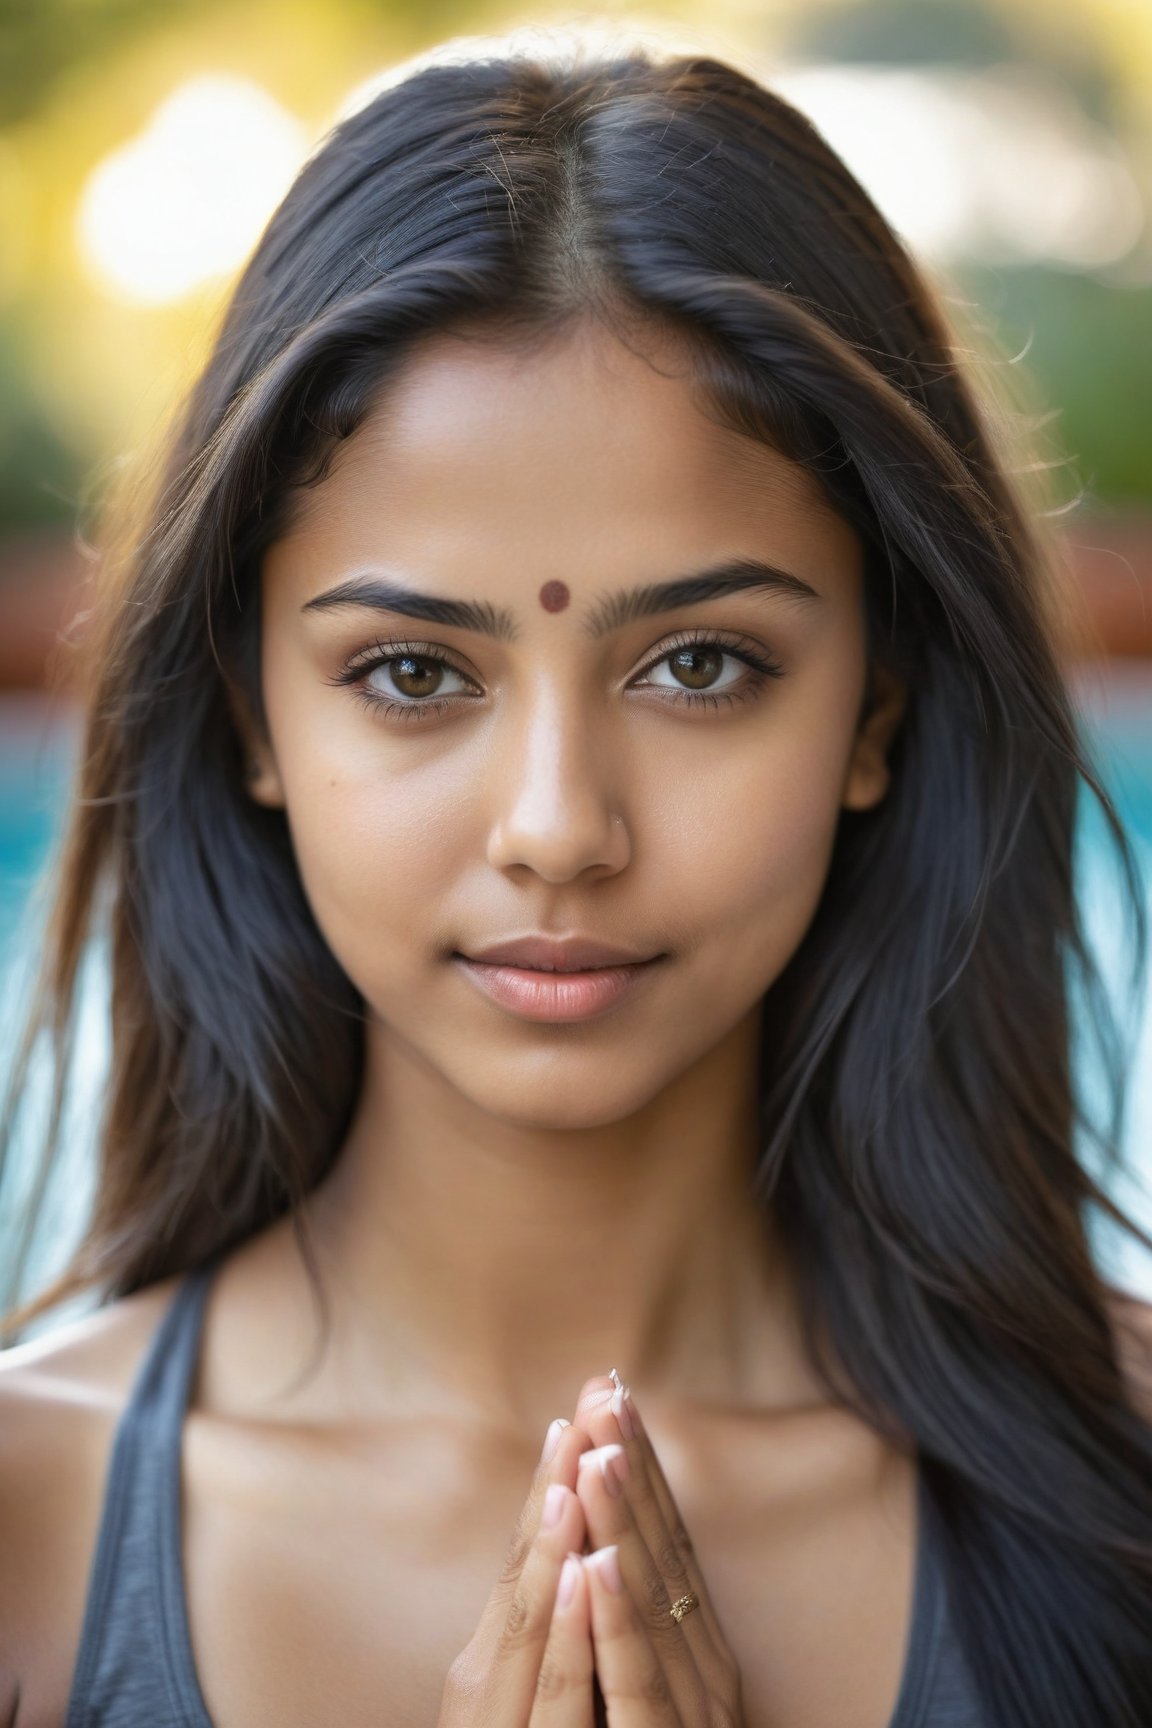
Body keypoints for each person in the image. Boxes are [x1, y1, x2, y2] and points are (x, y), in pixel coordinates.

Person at [1, 25, 1151, 1728]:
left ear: (877, 711)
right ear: (251, 713)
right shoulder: (30, 1525)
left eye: (698, 665)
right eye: (411, 673)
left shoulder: (1122, 1493)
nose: (556, 826)